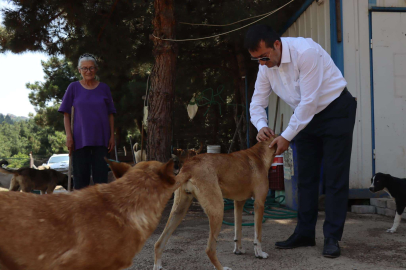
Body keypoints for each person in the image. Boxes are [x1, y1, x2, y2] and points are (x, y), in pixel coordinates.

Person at [245, 25, 357, 258]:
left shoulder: (305, 52)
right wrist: (261, 125)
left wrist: (286, 136)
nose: (262, 64)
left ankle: (332, 237)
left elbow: (309, 102)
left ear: (277, 44)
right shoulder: (265, 66)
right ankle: (305, 233)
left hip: (335, 110)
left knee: (335, 176)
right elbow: (257, 102)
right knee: (306, 176)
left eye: (264, 57)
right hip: (304, 117)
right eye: (256, 60)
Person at [59, 53, 116, 190]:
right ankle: (81, 210)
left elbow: (110, 113)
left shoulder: (104, 88)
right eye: (84, 68)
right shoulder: (73, 87)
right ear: (79, 70)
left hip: (102, 140)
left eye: (91, 68)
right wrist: (68, 136)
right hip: (79, 140)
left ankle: (100, 209)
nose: (88, 71)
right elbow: (66, 114)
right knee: (80, 179)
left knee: (101, 179)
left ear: (96, 69)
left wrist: (112, 136)